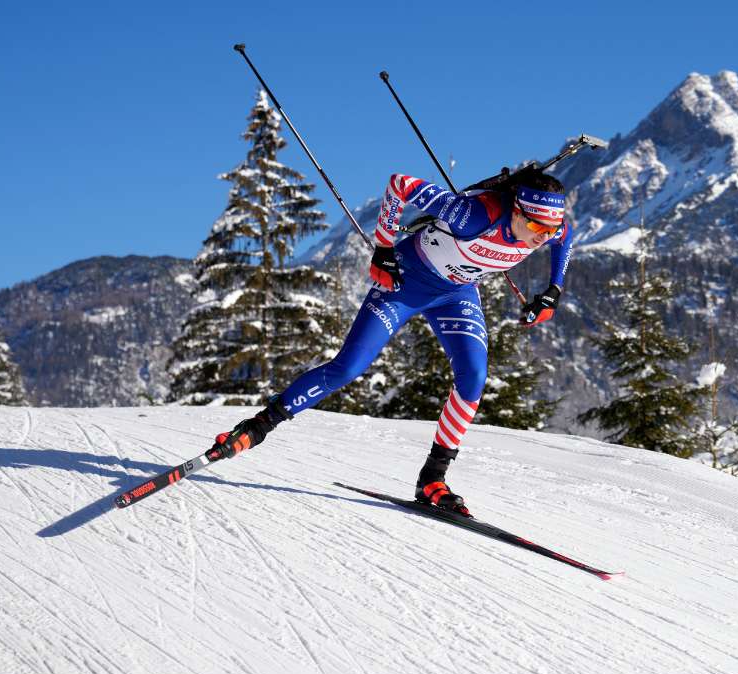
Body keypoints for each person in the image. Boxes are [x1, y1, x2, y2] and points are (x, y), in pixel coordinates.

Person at [204, 169, 573, 516]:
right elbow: (400, 184)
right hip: (404, 285)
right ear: (517, 211)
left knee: (474, 378)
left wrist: (553, 291)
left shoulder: (548, 229)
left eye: (550, 227)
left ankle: (433, 480)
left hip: (456, 295)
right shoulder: (471, 216)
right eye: (538, 225)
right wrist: (383, 249)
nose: (544, 235)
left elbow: (565, 236)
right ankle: (256, 427)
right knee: (348, 368)